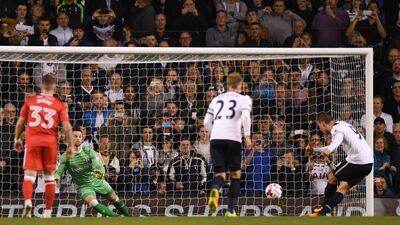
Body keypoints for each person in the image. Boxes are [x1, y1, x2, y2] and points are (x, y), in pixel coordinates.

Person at [13, 74, 74, 218]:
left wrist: (16, 139)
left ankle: (28, 201)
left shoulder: (31, 101)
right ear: (54, 87)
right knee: (49, 177)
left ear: (41, 86)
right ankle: (48, 211)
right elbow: (67, 126)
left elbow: (20, 123)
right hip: (50, 142)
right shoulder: (58, 104)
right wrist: (70, 145)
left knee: (29, 175)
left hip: (33, 141)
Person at [306, 112, 373, 216]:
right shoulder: (342, 124)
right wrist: (314, 149)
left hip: (357, 161)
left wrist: (329, 149)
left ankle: (323, 207)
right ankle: (325, 210)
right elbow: (334, 143)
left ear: (323, 123)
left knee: (331, 176)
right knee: (343, 187)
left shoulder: (336, 130)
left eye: (320, 127)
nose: (321, 130)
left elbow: (337, 141)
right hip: (368, 163)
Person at [204, 73, 252, 217]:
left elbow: (206, 122)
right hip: (233, 139)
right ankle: (230, 210)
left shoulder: (216, 99)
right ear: (240, 85)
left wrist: (216, 133)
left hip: (216, 139)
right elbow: (245, 115)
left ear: (227, 84)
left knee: (220, 174)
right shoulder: (244, 98)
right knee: (235, 174)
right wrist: (247, 136)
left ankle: (215, 189)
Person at [55, 127, 129, 217]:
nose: (78, 138)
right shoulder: (65, 156)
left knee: (115, 198)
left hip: (97, 181)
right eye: (75, 136)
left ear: (82, 139)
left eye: (79, 136)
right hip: (83, 186)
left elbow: (99, 166)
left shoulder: (89, 151)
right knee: (93, 202)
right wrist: (56, 179)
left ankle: (129, 216)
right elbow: (59, 172)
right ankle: (118, 218)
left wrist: (100, 173)